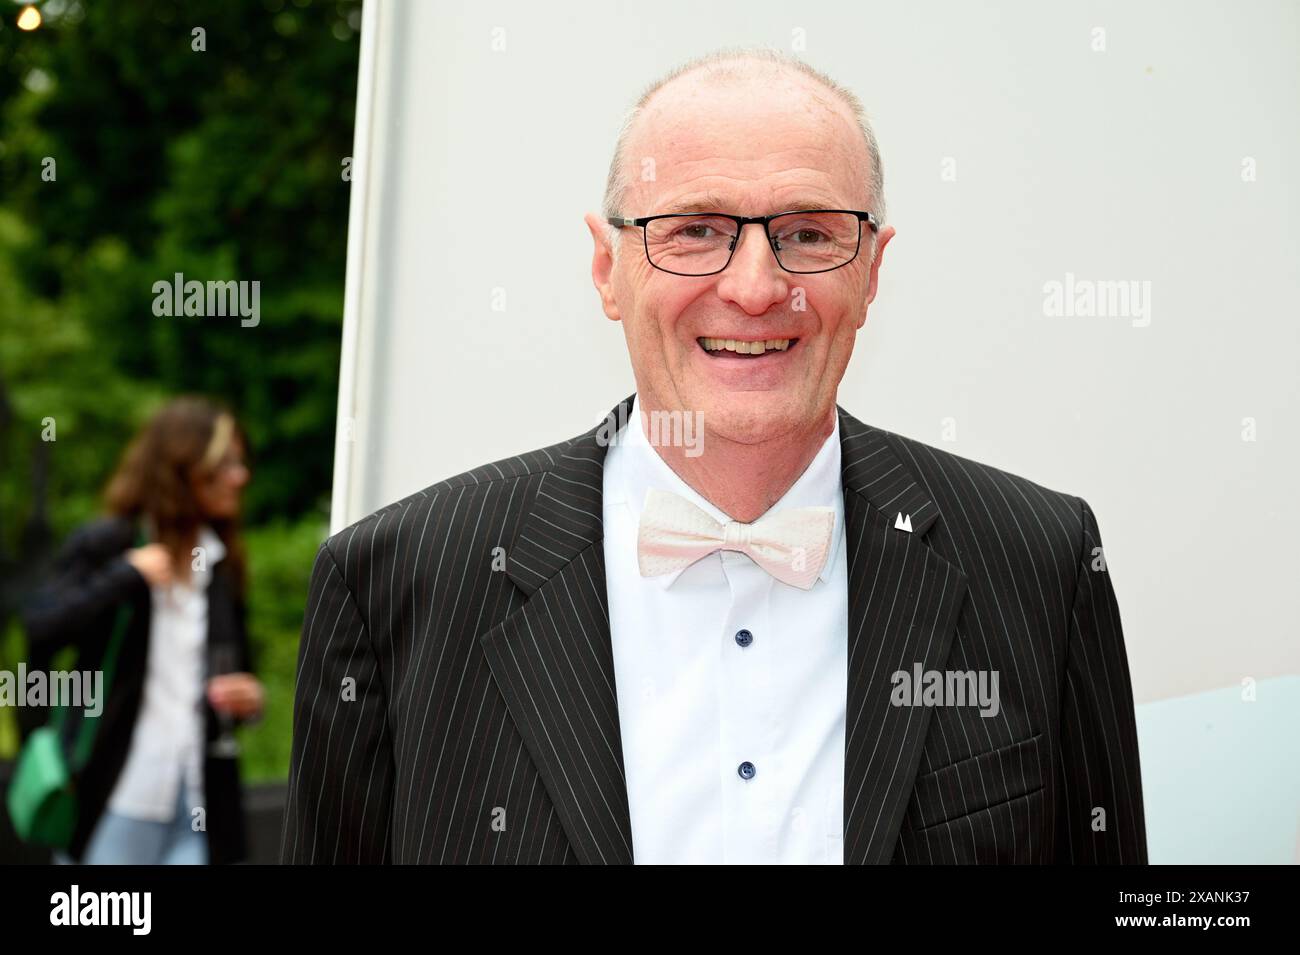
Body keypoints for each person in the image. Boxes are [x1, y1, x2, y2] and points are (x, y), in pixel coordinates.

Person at [282, 48, 1147, 864]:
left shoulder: (1040, 559)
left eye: (810, 234)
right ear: (606, 267)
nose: (755, 287)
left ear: (873, 271)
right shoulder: (395, 581)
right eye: (696, 229)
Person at [23, 396, 264, 864]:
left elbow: (240, 668)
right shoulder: (111, 544)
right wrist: (123, 576)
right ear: (183, 468)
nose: (241, 476)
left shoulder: (220, 564)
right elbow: (41, 629)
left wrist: (249, 698)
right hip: (118, 792)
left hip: (198, 797)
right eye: (225, 463)